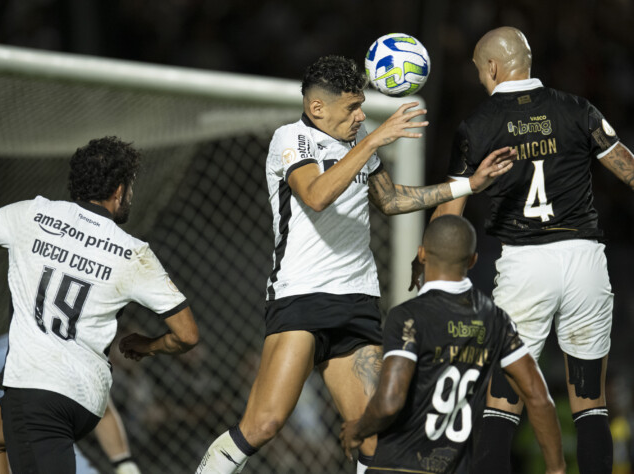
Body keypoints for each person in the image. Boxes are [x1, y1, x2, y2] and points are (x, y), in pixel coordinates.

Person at [195, 55, 515, 474]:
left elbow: (389, 200)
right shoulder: (291, 139)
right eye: (352, 108)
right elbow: (315, 195)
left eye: (362, 106)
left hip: (358, 300)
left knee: (375, 435)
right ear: (317, 108)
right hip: (301, 297)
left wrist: (467, 184)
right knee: (264, 424)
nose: (361, 115)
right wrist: (374, 139)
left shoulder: (359, 135)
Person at [411, 26, 634, 474]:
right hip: (585, 260)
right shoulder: (578, 109)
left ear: (492, 67)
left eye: (479, 71)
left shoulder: (477, 126)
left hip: (525, 264)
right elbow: (629, 169)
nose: (479, 79)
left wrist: (425, 265)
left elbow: (450, 214)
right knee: (590, 404)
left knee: (501, 402)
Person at [0, 136, 200, 473]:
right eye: (130, 187)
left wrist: (6, 244)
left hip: (37, 390)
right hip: (87, 399)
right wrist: (148, 346)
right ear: (118, 190)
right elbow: (187, 335)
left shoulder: (33, 215)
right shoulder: (134, 253)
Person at [341, 214, 566, 474]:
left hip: (397, 467)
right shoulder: (496, 320)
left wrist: (357, 429)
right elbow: (538, 397)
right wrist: (556, 469)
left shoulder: (408, 316)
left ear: (422, 255)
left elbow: (390, 400)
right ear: (472, 260)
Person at [0, 333, 141, 474]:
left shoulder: (84, 357)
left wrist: (123, 462)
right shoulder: (7, 349)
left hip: (50, 443)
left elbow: (105, 411)